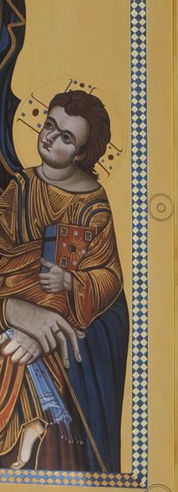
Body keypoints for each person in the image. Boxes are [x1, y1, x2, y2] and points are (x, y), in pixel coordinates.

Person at [0, 88, 128, 471]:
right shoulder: (20, 186)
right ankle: (28, 424)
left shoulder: (93, 203)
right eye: (50, 126)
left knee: (24, 343)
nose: (50, 138)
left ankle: (33, 423)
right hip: (16, 288)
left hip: (62, 303)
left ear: (82, 153)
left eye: (66, 137)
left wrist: (72, 285)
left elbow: (108, 277)